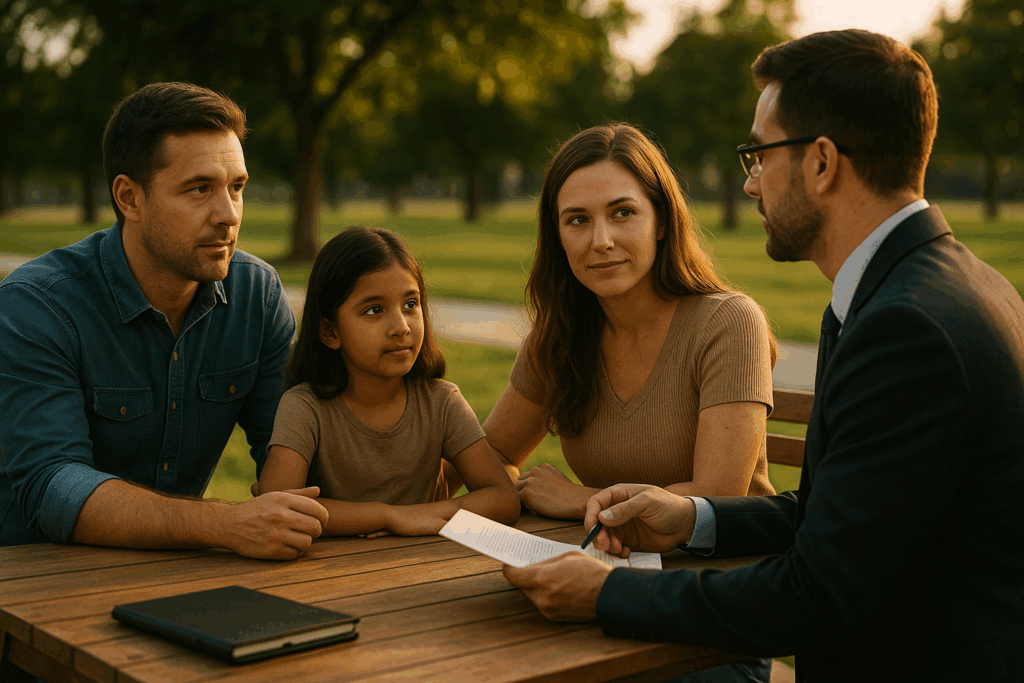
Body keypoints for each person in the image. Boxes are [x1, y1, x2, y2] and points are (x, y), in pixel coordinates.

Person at [502, 29, 1024, 682]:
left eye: (758, 154)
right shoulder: (935, 284)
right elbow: (845, 512)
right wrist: (692, 516)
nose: (751, 184)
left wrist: (603, 591)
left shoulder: (907, 326)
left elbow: (818, 592)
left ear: (822, 162)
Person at [466, 123, 776, 682]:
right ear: (557, 236)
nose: (600, 240)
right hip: (590, 607)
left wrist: (575, 498)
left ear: (662, 222)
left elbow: (716, 499)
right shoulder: (560, 336)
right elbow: (484, 460)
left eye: (623, 213)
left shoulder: (727, 323)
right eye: (577, 220)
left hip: (707, 626)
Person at [0, 82, 328, 560]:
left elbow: (296, 454)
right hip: (29, 585)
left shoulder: (256, 294)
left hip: (175, 575)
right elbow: (54, 487)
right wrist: (225, 522)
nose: (229, 215)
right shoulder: (37, 305)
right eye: (200, 189)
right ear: (129, 199)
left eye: (237, 187)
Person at [256, 226, 520, 536]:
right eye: (374, 310)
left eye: (411, 304)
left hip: (424, 569)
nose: (400, 327)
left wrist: (421, 515)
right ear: (330, 332)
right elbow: (277, 508)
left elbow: (503, 498)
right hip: (328, 576)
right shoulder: (305, 407)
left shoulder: (441, 402)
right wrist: (387, 516)